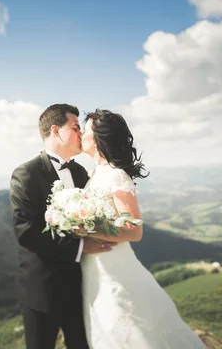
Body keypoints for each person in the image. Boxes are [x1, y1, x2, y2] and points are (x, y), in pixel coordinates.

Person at [79, 109, 207, 349]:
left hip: (115, 270)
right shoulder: (95, 174)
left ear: (97, 139)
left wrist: (87, 227)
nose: (80, 137)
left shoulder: (116, 176)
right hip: (94, 270)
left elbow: (133, 230)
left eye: (84, 132)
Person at [10, 103, 117, 349]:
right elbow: (25, 232)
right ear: (56, 131)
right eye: (76, 127)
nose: (82, 133)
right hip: (42, 291)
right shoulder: (26, 173)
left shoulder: (81, 173)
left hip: (81, 286)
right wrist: (81, 247)